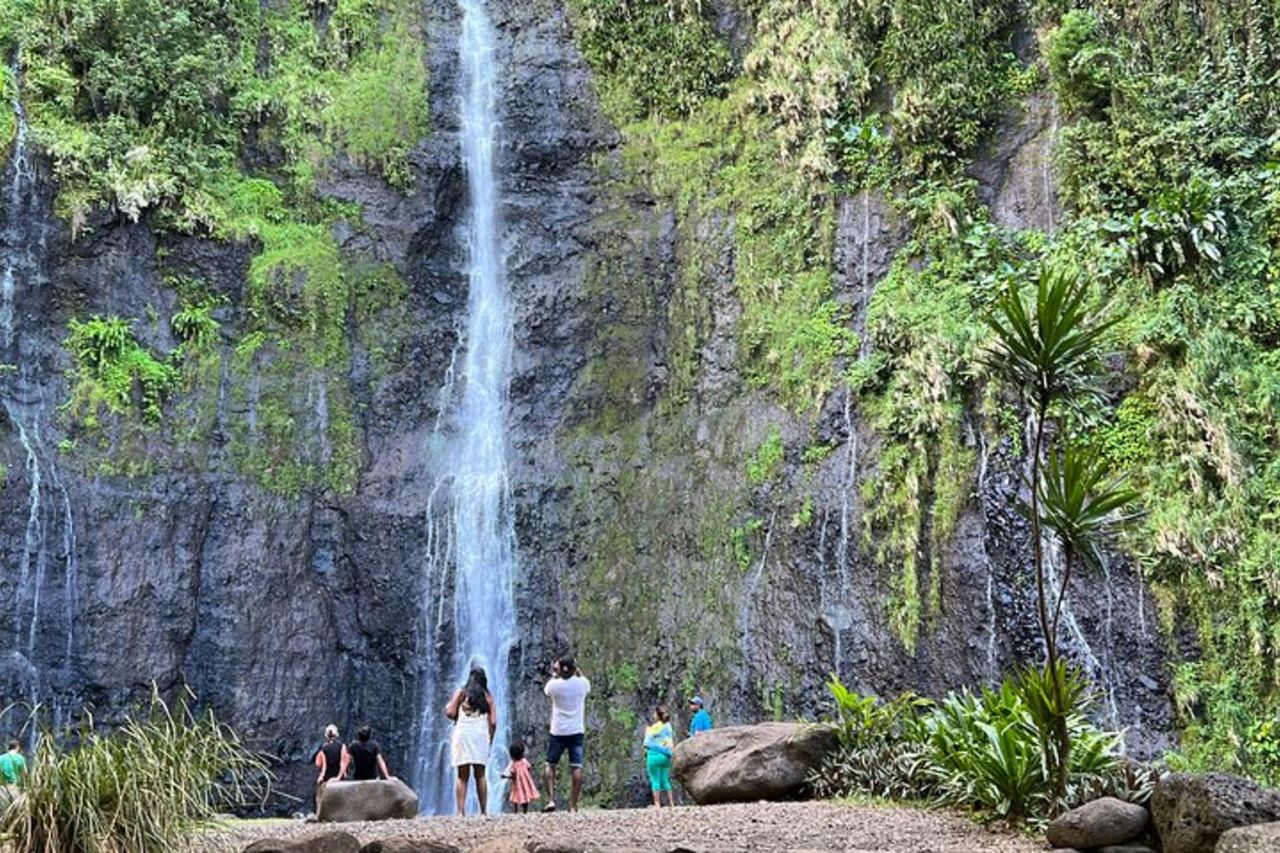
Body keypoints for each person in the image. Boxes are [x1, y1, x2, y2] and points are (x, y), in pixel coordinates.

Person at [445, 666, 497, 815]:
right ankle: (483, 811)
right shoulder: (488, 697)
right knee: (480, 774)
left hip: (463, 735)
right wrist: (490, 741)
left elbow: (449, 712)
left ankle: (461, 811)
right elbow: (493, 722)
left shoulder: (462, 692)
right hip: (480, 737)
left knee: (462, 776)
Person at [542, 655, 590, 812]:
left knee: (550, 764)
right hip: (576, 731)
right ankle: (573, 804)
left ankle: (550, 800)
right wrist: (576, 669)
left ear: (560, 670)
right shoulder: (582, 684)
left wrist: (556, 674)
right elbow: (583, 679)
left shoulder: (554, 686)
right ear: (574, 668)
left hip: (558, 731)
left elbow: (547, 690)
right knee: (576, 767)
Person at [643, 705, 676, 808]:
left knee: (655, 780)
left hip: (654, 755)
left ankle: (657, 804)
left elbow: (647, 742)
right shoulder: (668, 726)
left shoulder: (654, 727)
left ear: (657, 715)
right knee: (665, 779)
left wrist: (647, 731)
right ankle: (671, 803)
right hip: (666, 756)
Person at [502, 740, 539, 813]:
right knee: (525, 794)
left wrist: (505, 776)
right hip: (525, 783)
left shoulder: (514, 764)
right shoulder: (524, 761)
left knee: (515, 796)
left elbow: (512, 774)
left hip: (517, 784)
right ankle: (525, 810)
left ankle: (515, 811)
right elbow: (529, 767)